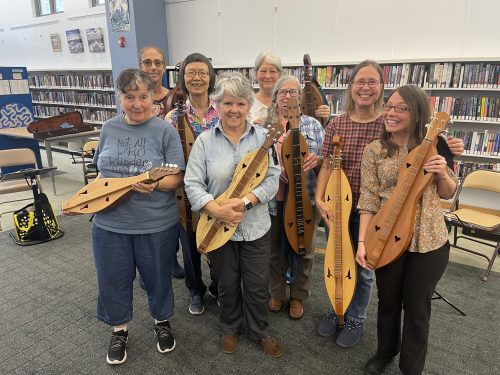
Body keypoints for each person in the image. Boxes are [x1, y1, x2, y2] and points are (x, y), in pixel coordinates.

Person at [315, 60, 464, 348]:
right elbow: (325, 165)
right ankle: (337, 308)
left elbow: (440, 178)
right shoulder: (339, 123)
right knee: (336, 261)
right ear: (351, 86)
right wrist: (319, 198)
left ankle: (356, 316)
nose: (365, 87)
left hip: (379, 213)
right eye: (360, 81)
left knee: (366, 270)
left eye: (372, 82)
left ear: (381, 88)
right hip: (341, 204)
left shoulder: (392, 124)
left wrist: (446, 149)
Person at [83, 69, 185, 365]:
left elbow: (175, 177)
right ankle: (119, 330)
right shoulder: (109, 128)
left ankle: (162, 322)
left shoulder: (165, 130)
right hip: (109, 222)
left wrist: (153, 184)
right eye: (130, 97)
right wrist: (92, 194)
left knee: (157, 279)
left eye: (144, 97)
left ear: (154, 97)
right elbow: (100, 171)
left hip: (155, 223)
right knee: (112, 278)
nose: (137, 104)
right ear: (120, 98)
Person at [356, 84, 458, 375]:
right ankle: (385, 350)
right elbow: (368, 198)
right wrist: (363, 242)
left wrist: (441, 172)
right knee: (388, 300)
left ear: (416, 114)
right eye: (389, 106)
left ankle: (411, 366)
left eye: (400, 108)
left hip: (428, 240)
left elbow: (448, 192)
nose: (390, 113)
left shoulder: (436, 144)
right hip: (385, 235)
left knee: (417, 307)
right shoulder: (374, 150)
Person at [184, 72, 283, 357]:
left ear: (248, 106)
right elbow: (192, 183)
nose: (234, 110)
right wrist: (216, 208)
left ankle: (260, 330)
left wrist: (246, 203)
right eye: (228, 103)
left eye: (240, 104)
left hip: (255, 226)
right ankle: (230, 328)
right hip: (216, 225)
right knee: (226, 283)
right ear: (218, 105)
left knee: (256, 284)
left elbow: (272, 179)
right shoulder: (204, 141)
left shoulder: (264, 139)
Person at [165, 52, 219, 315]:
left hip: (218, 189)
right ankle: (195, 290)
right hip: (184, 192)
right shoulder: (172, 117)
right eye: (191, 73)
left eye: (202, 73)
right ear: (183, 79)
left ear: (210, 77)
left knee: (219, 242)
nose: (197, 78)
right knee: (189, 245)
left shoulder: (224, 110)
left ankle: (219, 288)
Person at [266, 75, 324, 319]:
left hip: (306, 198)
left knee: (304, 250)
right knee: (274, 249)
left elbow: (326, 163)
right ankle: (277, 293)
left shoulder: (313, 126)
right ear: (275, 97)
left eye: (293, 91)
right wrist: (274, 169)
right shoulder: (264, 126)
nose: (288, 96)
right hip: (274, 200)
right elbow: (257, 161)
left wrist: (317, 160)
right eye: (282, 92)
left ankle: (298, 296)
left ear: (300, 97)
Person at [138, 45, 185, 278]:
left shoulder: (174, 96)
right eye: (147, 62)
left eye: (157, 62)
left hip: (172, 164)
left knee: (174, 213)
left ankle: (172, 256)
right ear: (140, 67)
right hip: (146, 163)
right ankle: (153, 261)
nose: (153, 67)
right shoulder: (137, 100)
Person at [250, 51, 330, 124]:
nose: (267, 76)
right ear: (255, 74)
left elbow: (311, 127)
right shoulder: (246, 104)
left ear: (280, 75)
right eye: (263, 71)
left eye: (272, 71)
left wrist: (323, 118)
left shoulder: (298, 102)